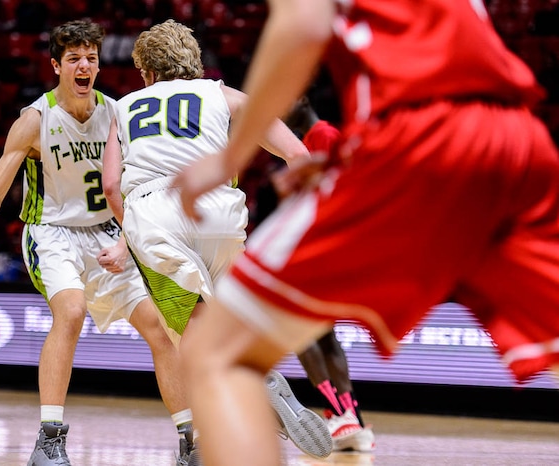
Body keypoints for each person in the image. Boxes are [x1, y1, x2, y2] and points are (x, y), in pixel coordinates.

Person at [173, 0, 559, 465]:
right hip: (517, 138)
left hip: (422, 135)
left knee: (218, 353)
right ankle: (345, 414)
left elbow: (302, 22)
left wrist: (230, 157)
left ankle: (343, 415)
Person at [101, 19, 332, 463]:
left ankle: (209, 440)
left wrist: (133, 236)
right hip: (220, 212)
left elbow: (112, 186)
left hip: (156, 212)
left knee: (192, 335)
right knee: (224, 326)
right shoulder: (224, 94)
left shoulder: (125, 106)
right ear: (193, 61)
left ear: (146, 71)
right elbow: (298, 155)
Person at [0, 19, 187, 466]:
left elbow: (138, 185)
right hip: (51, 231)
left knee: (161, 330)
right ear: (56, 66)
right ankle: (49, 439)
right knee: (71, 311)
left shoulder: (117, 115)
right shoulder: (33, 121)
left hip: (106, 233)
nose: (84, 66)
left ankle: (191, 440)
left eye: (91, 58)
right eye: (74, 59)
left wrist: (131, 236)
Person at [282, 96, 375, 452]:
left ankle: (338, 413)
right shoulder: (309, 140)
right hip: (329, 247)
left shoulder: (323, 135)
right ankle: (354, 423)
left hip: (326, 247)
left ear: (302, 99)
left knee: (300, 332)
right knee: (323, 336)